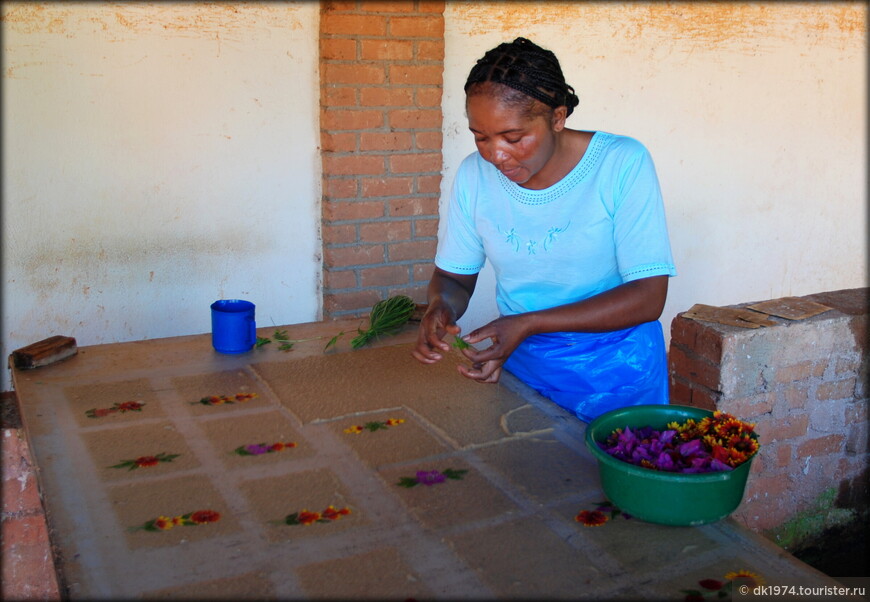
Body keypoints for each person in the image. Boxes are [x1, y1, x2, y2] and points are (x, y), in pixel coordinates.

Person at [411, 37, 677, 423]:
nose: (495, 155)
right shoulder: (474, 175)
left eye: (513, 137)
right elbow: (454, 276)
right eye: (480, 137)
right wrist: (440, 306)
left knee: (611, 474)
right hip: (522, 364)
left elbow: (648, 297)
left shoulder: (620, 163)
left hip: (618, 372)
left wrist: (529, 322)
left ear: (557, 117)